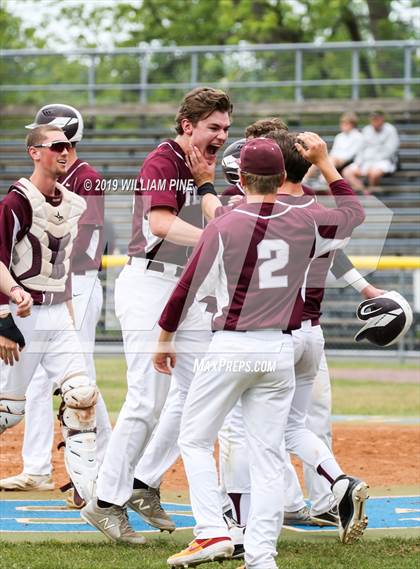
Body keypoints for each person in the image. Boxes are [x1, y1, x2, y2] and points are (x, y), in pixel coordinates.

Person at [153, 136, 367, 568]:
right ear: (282, 175)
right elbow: (354, 214)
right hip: (279, 349)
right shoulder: (307, 217)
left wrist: (164, 338)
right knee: (269, 457)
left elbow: (185, 288)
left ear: (243, 177)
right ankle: (262, 558)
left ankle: (212, 531)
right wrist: (326, 164)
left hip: (233, 343)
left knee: (193, 438)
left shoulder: (226, 220)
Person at [81, 87, 232, 543]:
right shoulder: (163, 161)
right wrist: (218, 238)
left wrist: (209, 190)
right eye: (213, 127)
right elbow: (161, 225)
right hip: (150, 282)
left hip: (185, 285)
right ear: (188, 125)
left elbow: (216, 216)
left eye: (226, 127)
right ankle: (106, 501)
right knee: (147, 399)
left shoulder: (201, 167)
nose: (222, 135)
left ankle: (143, 482)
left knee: (204, 387)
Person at [216, 131, 381, 541]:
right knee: (297, 426)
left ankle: (241, 521)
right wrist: (328, 164)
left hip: (269, 333)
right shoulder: (312, 209)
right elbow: (351, 219)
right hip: (312, 333)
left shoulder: (248, 210)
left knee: (240, 428)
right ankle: (335, 483)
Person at [0, 105, 112, 508]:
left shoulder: (84, 180)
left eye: (59, 141)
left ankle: (100, 477)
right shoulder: (33, 190)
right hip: (40, 293)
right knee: (29, 388)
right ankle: (37, 469)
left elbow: (81, 243)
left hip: (73, 285)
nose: (59, 152)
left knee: (81, 386)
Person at [342, 110, 400, 194]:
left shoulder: (390, 130)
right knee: (347, 172)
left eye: (377, 118)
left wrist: (373, 162)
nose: (375, 121)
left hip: (383, 161)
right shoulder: (366, 130)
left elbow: (390, 150)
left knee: (374, 173)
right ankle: (365, 192)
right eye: (373, 119)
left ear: (382, 119)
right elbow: (361, 148)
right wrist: (359, 162)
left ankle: (373, 191)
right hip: (366, 162)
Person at [304, 112, 363, 184]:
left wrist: (337, 158)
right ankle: (305, 179)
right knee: (317, 159)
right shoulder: (339, 136)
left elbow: (351, 154)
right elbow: (334, 151)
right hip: (336, 160)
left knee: (331, 160)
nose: (343, 125)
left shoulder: (358, 137)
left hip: (349, 162)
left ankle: (322, 181)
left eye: (346, 123)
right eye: (342, 123)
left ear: (352, 125)